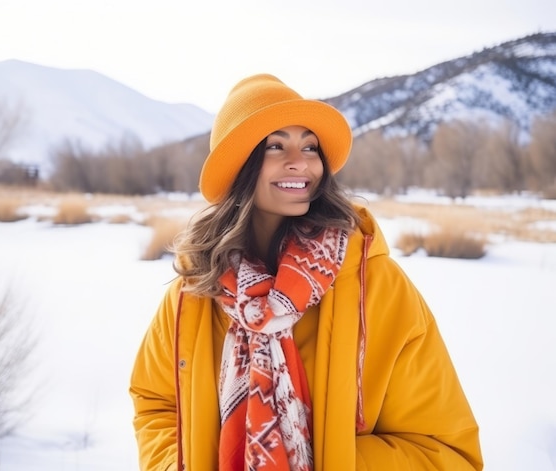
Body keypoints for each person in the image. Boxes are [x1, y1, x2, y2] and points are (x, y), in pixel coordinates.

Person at [129, 74, 483, 470]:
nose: (299, 161)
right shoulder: (193, 292)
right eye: (275, 145)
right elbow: (156, 402)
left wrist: (325, 460)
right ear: (237, 168)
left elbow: (445, 452)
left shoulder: (376, 286)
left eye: (310, 146)